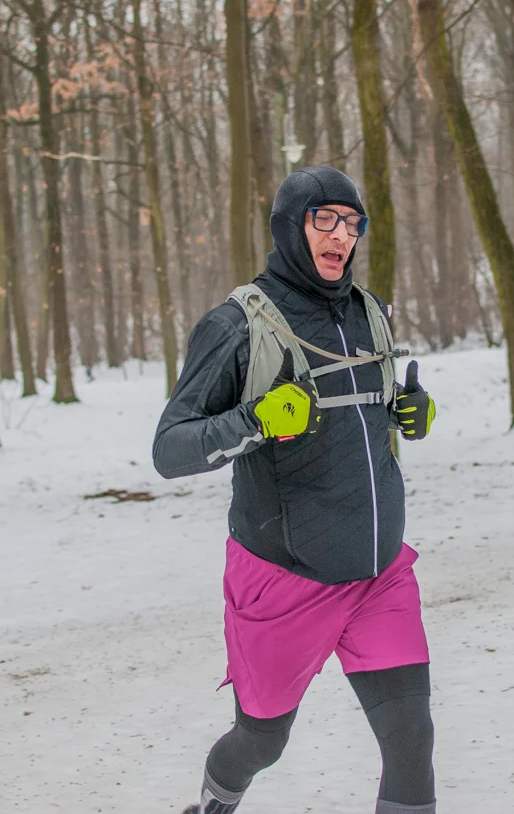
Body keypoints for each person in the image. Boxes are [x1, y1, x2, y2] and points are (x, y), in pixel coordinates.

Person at [153, 166, 439, 814]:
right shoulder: (237, 326)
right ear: (289, 226)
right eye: (324, 219)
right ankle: (213, 805)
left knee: (411, 738)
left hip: (378, 571)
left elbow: (368, 413)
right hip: (285, 579)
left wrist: (408, 411)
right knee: (261, 741)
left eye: (352, 222)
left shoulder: (370, 314)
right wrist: (256, 420)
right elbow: (170, 448)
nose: (341, 235)